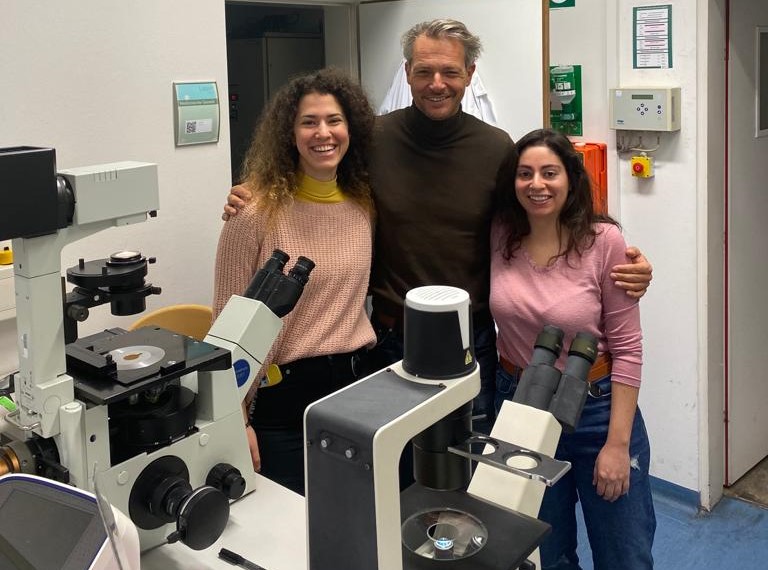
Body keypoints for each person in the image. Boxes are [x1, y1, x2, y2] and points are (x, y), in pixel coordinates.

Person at [222, 19, 653, 437]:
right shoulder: (373, 139)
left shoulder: (495, 148)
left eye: (450, 71)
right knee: (390, 462)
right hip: (390, 340)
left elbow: (538, 219)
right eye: (424, 71)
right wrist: (254, 192)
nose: (437, 83)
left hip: (471, 341)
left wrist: (613, 255)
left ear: (470, 74)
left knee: (467, 463)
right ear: (408, 72)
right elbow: (317, 167)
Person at [490, 128, 655, 570]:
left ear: (571, 179)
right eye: (525, 174)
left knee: (624, 553)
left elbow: (628, 349)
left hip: (595, 410)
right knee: (546, 553)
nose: (537, 184)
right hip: (521, 405)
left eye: (550, 173)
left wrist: (617, 444)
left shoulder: (603, 241)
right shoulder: (501, 233)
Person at [213, 68, 377, 495]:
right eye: (309, 122)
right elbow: (225, 327)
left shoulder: (362, 206)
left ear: (350, 129)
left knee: (349, 511)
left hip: (354, 390)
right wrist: (236, 420)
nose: (323, 133)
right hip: (280, 404)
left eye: (334, 120)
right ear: (290, 133)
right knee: (289, 523)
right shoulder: (252, 214)